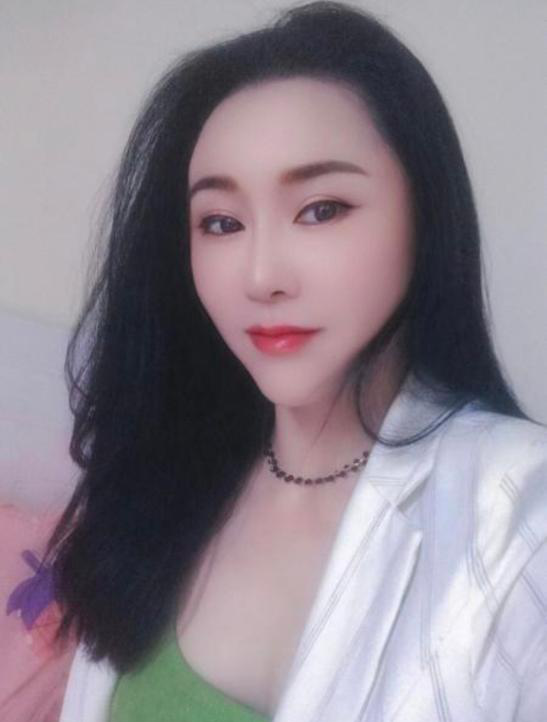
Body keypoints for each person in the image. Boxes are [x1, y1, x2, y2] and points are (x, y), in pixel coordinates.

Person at [2, 1, 546, 720]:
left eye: (321, 209)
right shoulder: (165, 470)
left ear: (425, 214)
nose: (260, 276)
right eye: (221, 222)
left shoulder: (520, 514)